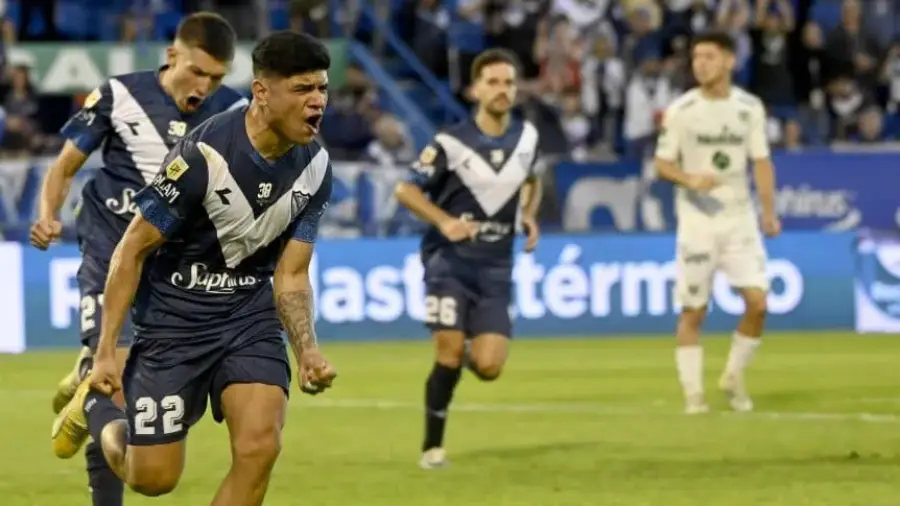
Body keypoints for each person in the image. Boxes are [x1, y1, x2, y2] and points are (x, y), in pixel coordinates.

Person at [50, 31, 337, 506]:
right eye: (303, 89)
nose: (317, 102)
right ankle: (99, 413)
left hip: (248, 318)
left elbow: (290, 274)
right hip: (174, 323)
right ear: (263, 92)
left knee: (260, 447)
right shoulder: (202, 156)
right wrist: (104, 353)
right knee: (153, 480)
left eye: (322, 89)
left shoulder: (317, 169)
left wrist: (307, 349)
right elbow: (132, 248)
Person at [29, 12, 246, 506]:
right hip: (110, 255)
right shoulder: (118, 94)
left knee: (119, 391)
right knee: (116, 387)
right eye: (196, 71)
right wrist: (47, 214)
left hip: (172, 273)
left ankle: (87, 374)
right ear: (172, 55)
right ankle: (95, 377)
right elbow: (65, 166)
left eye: (215, 77)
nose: (204, 86)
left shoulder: (233, 113)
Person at [394, 48, 543, 469]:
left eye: (508, 83)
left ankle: (467, 354)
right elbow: (406, 189)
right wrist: (444, 222)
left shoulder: (528, 139)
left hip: (498, 266)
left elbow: (532, 180)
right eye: (493, 82)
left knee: (490, 366)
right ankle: (432, 448)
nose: (502, 90)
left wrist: (528, 217)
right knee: (448, 351)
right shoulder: (450, 142)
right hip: (450, 263)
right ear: (476, 89)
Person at [654, 31, 780, 415]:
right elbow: (662, 163)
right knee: (694, 311)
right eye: (696, 57)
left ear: (729, 60)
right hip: (697, 221)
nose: (700, 64)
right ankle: (694, 397)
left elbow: (760, 160)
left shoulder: (749, 107)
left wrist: (769, 211)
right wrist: (689, 179)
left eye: (708, 56)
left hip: (739, 219)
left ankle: (733, 375)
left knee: (758, 304)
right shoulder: (682, 110)